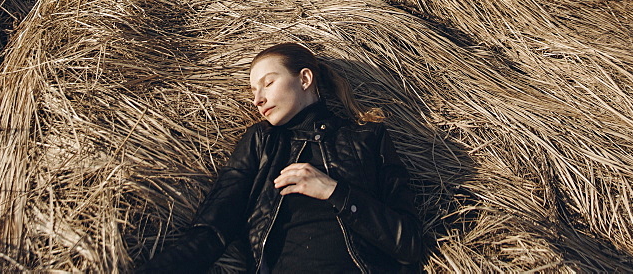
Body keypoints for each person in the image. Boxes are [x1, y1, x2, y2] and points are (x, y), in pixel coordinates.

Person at [142, 42, 423, 273]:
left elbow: (409, 243)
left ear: (304, 79)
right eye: (254, 91)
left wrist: (335, 192)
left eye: (268, 83)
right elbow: (213, 229)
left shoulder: (368, 138)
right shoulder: (262, 141)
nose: (257, 100)